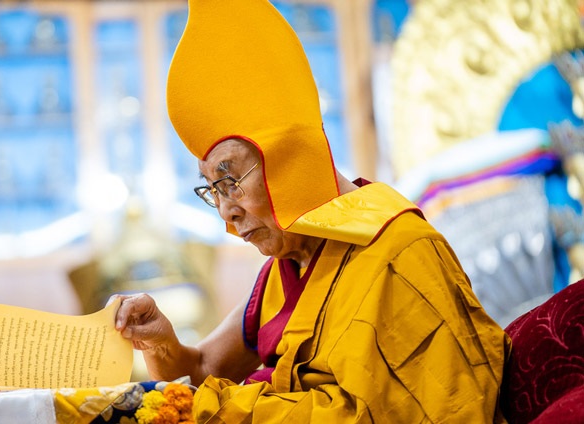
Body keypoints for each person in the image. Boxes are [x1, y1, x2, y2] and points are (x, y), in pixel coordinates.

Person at [112, 0, 510, 422]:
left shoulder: (401, 252)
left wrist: (232, 410)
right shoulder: (285, 269)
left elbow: (443, 409)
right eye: (213, 189)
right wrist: (159, 342)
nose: (226, 213)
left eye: (231, 181)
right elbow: (200, 372)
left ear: (288, 159)